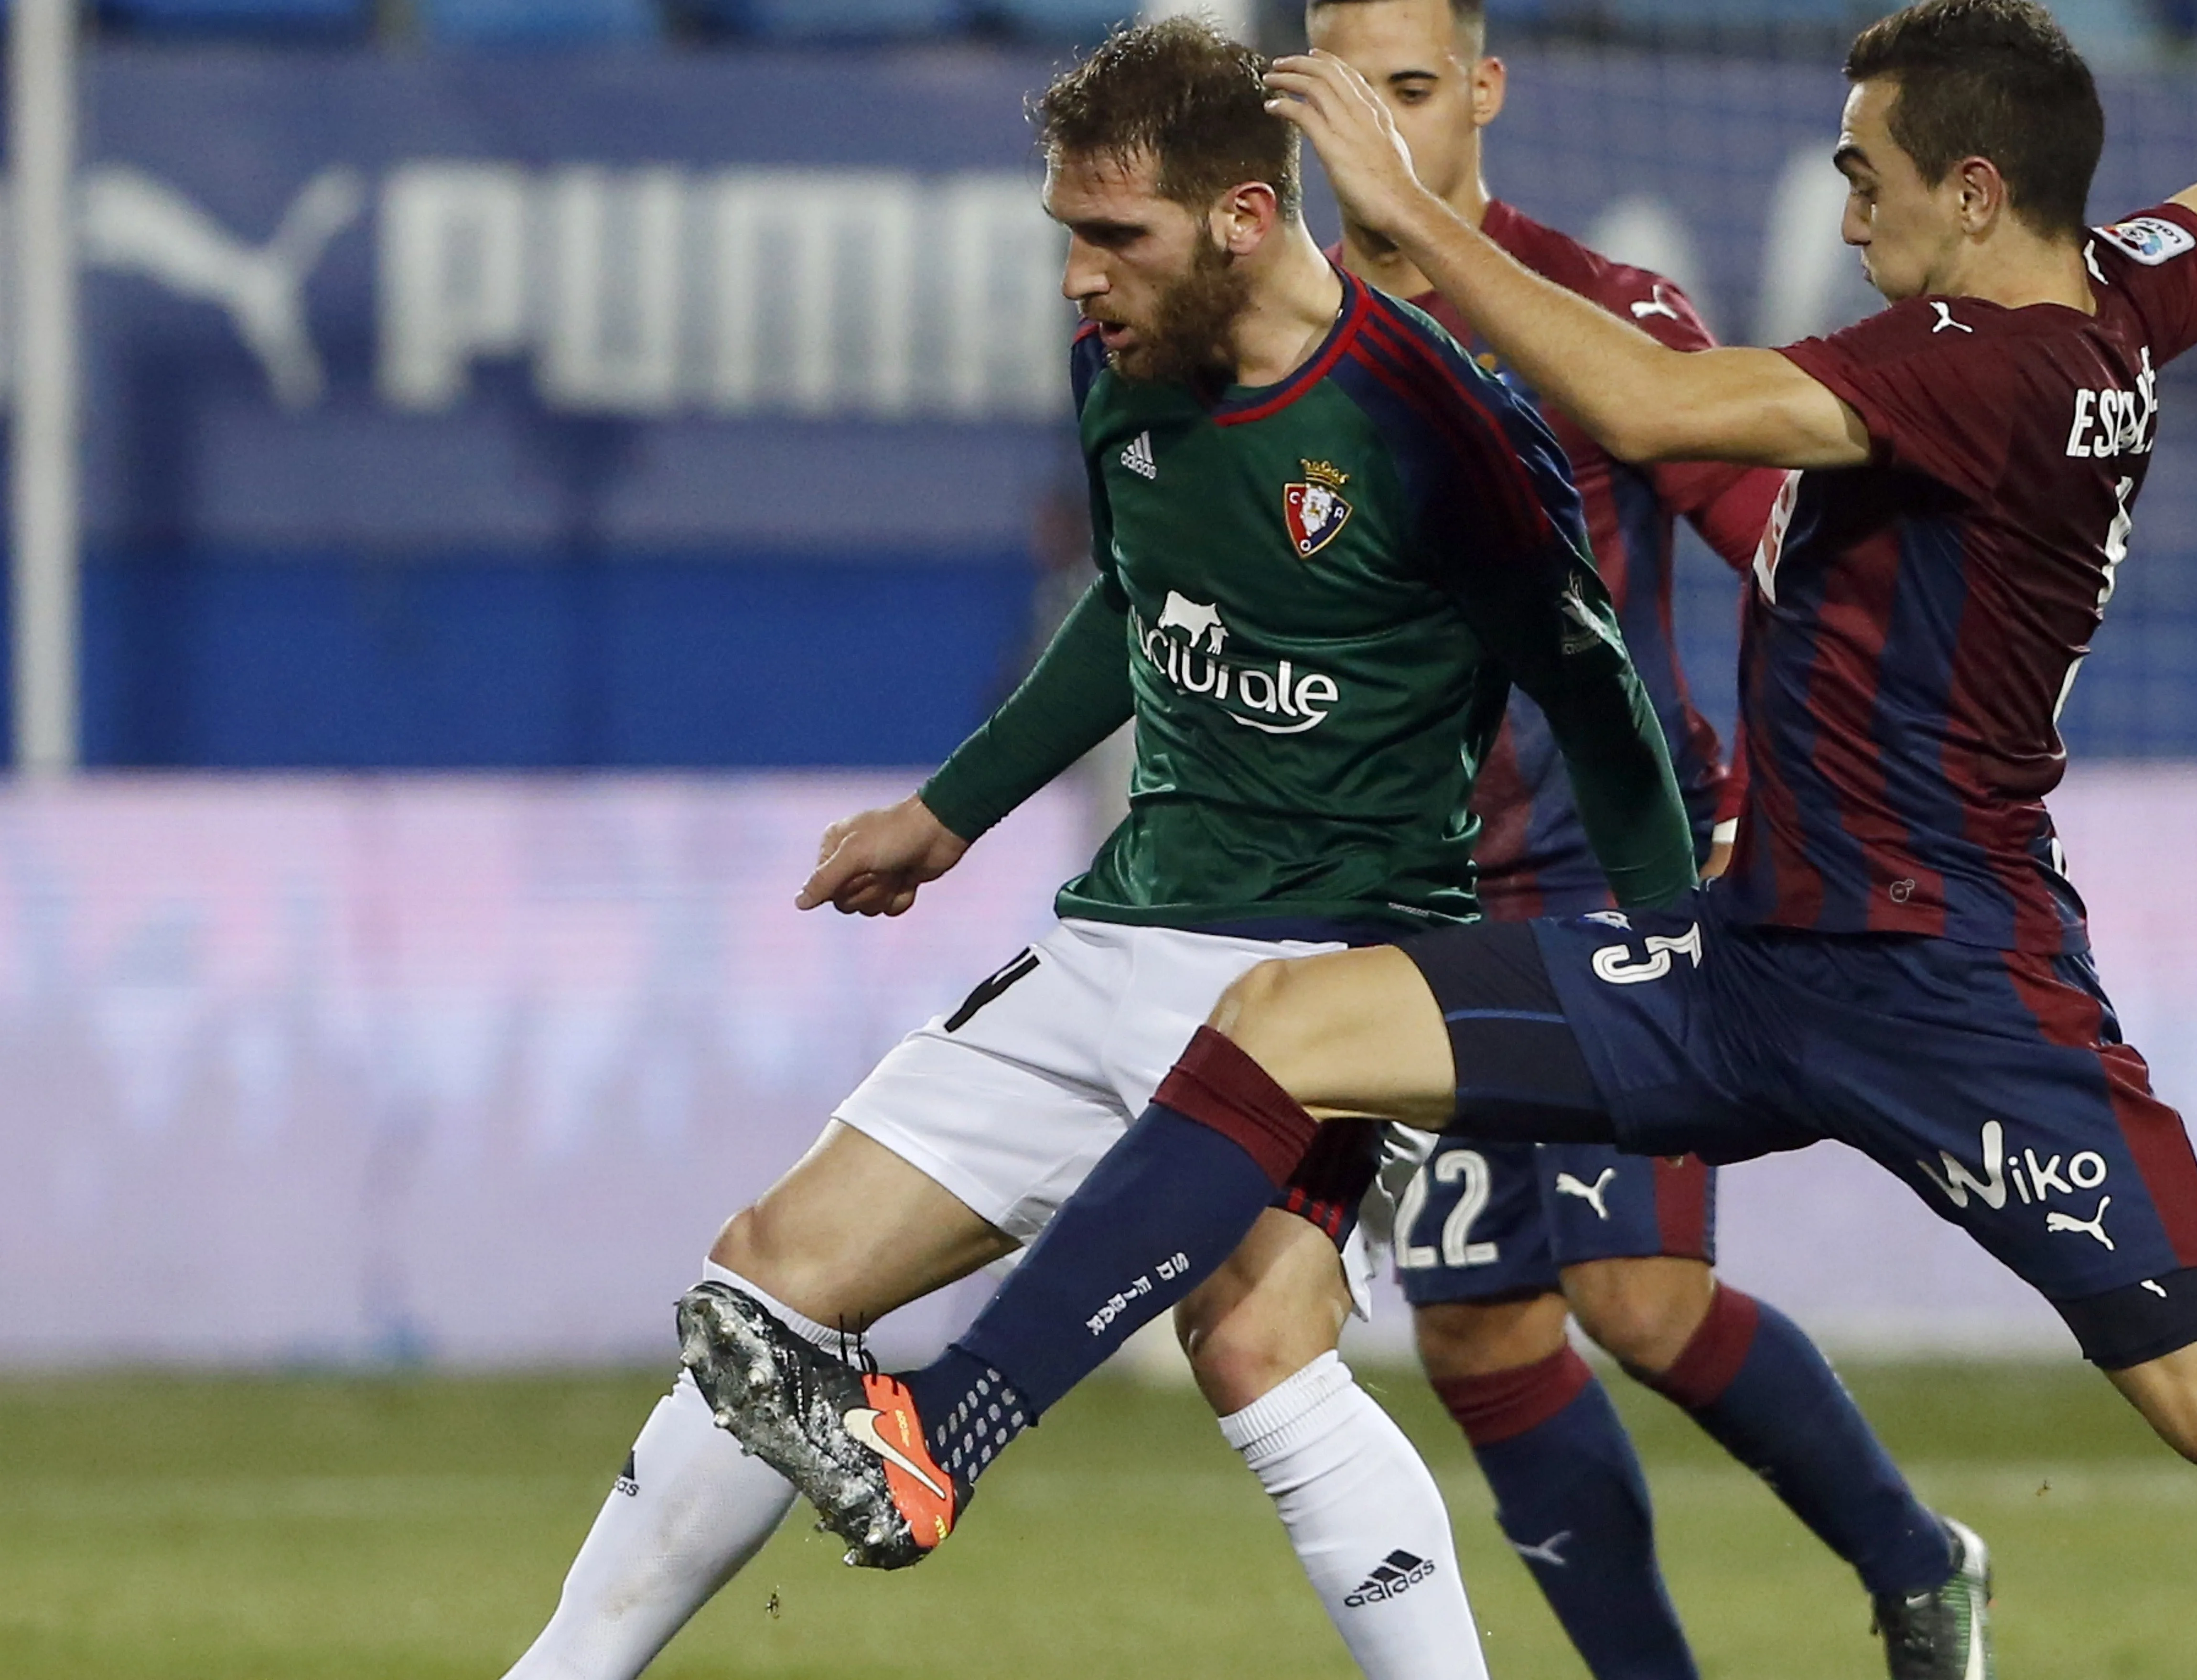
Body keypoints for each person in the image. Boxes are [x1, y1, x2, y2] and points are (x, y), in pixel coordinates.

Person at [681, 3, 2197, 1678]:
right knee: (1286, 1030)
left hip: (1951, 992)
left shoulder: (1972, 365)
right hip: (1743, 952)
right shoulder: (2132, 285)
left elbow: (1651, 414)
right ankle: (937, 1442)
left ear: (1971, 194)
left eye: (1864, 167)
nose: (1840, 193)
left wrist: (1406, 231)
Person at [504, 19, 1704, 1680]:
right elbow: (1137, 602)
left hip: (1330, 973)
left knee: (1253, 1343)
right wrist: (950, 813)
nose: (1080, 276)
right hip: (1123, 929)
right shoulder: (1122, 367)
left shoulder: (1441, 422)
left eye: (1114, 236)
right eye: (1068, 233)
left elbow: (1598, 695)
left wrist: (1667, 967)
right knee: (770, 1283)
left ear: (1242, 217)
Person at [1305, 3, 1982, 1676]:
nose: (1386, 134)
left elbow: (1774, 537)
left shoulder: (1601, 313)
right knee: (1474, 1329)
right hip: (1426, 911)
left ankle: (1917, 1560)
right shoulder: (1277, 333)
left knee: (1642, 1300)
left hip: (1629, 876)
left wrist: (1811, 764)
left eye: (1416, 91)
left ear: (1483, 92)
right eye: (1354, 96)